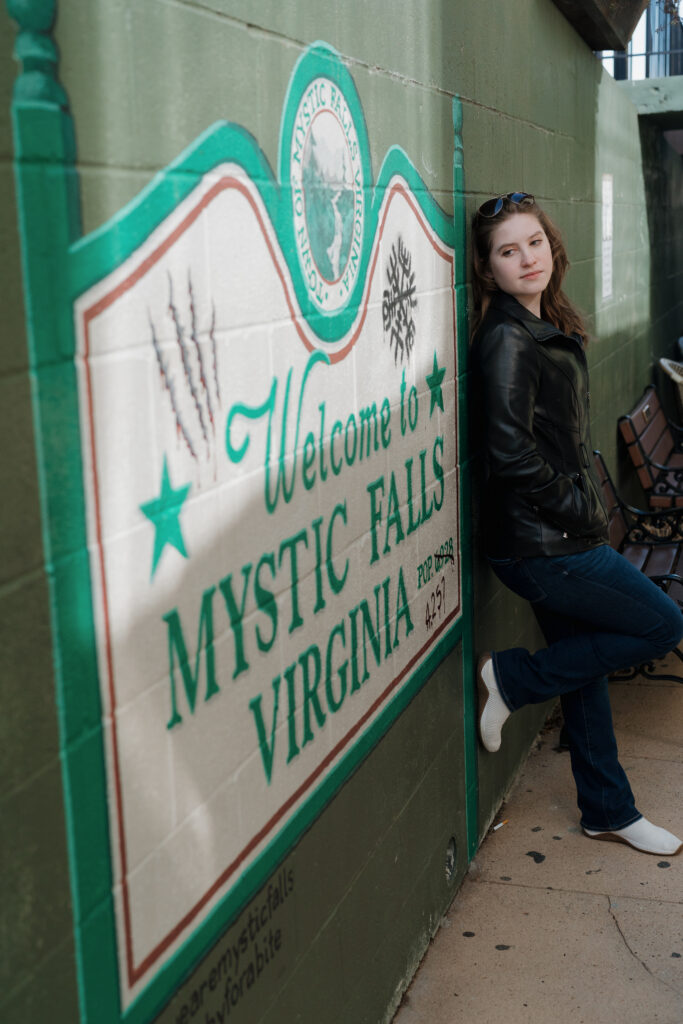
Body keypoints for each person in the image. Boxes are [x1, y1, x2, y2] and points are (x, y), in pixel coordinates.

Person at [470, 192, 683, 856]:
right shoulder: (507, 341)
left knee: (585, 669)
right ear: (489, 269)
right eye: (508, 251)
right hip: (541, 544)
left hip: (555, 532)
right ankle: (511, 679)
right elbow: (507, 454)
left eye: (533, 243)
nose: (526, 258)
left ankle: (606, 810)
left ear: (550, 246)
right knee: (661, 624)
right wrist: (580, 504)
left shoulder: (541, 321)